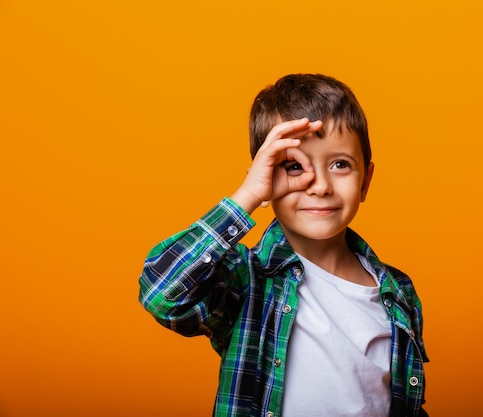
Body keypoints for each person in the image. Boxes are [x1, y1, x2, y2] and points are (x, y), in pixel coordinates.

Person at [139, 73, 429, 416]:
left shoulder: (398, 291)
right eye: (294, 166)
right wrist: (248, 194)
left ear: (365, 181)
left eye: (340, 165)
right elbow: (163, 294)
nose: (320, 186)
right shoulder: (247, 279)